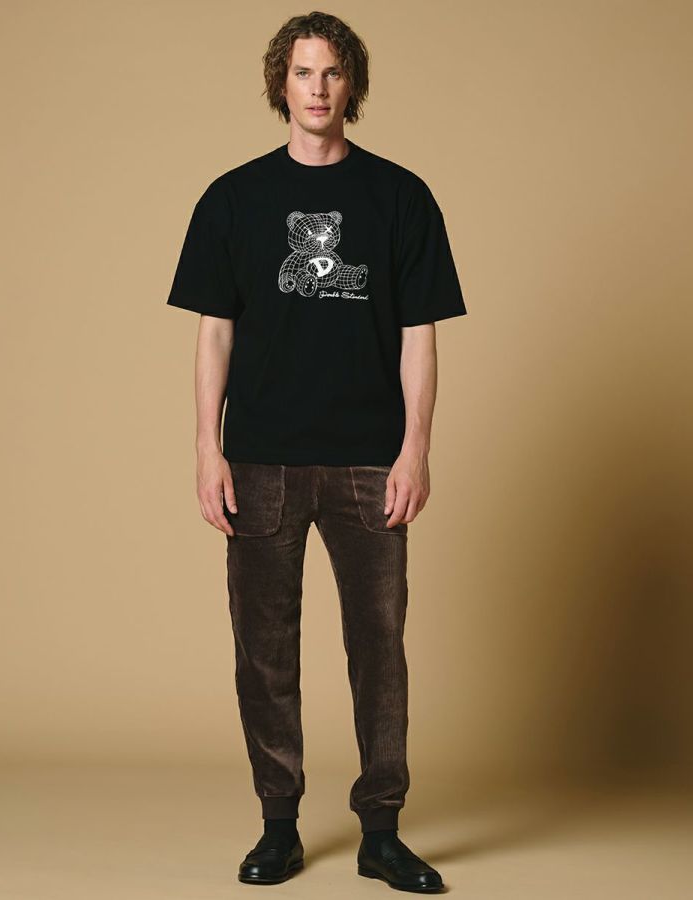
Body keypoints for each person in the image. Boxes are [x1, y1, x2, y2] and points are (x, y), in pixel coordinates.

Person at [166, 10, 466, 893]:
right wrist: (207, 449)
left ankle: (382, 833)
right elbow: (214, 333)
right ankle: (278, 828)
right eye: (303, 72)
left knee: (380, 654)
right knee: (264, 654)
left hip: (370, 462)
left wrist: (415, 450)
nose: (318, 88)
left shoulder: (401, 197)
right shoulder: (233, 199)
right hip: (258, 459)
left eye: (333, 72)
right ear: (281, 83)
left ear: (352, 84)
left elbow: (420, 334)